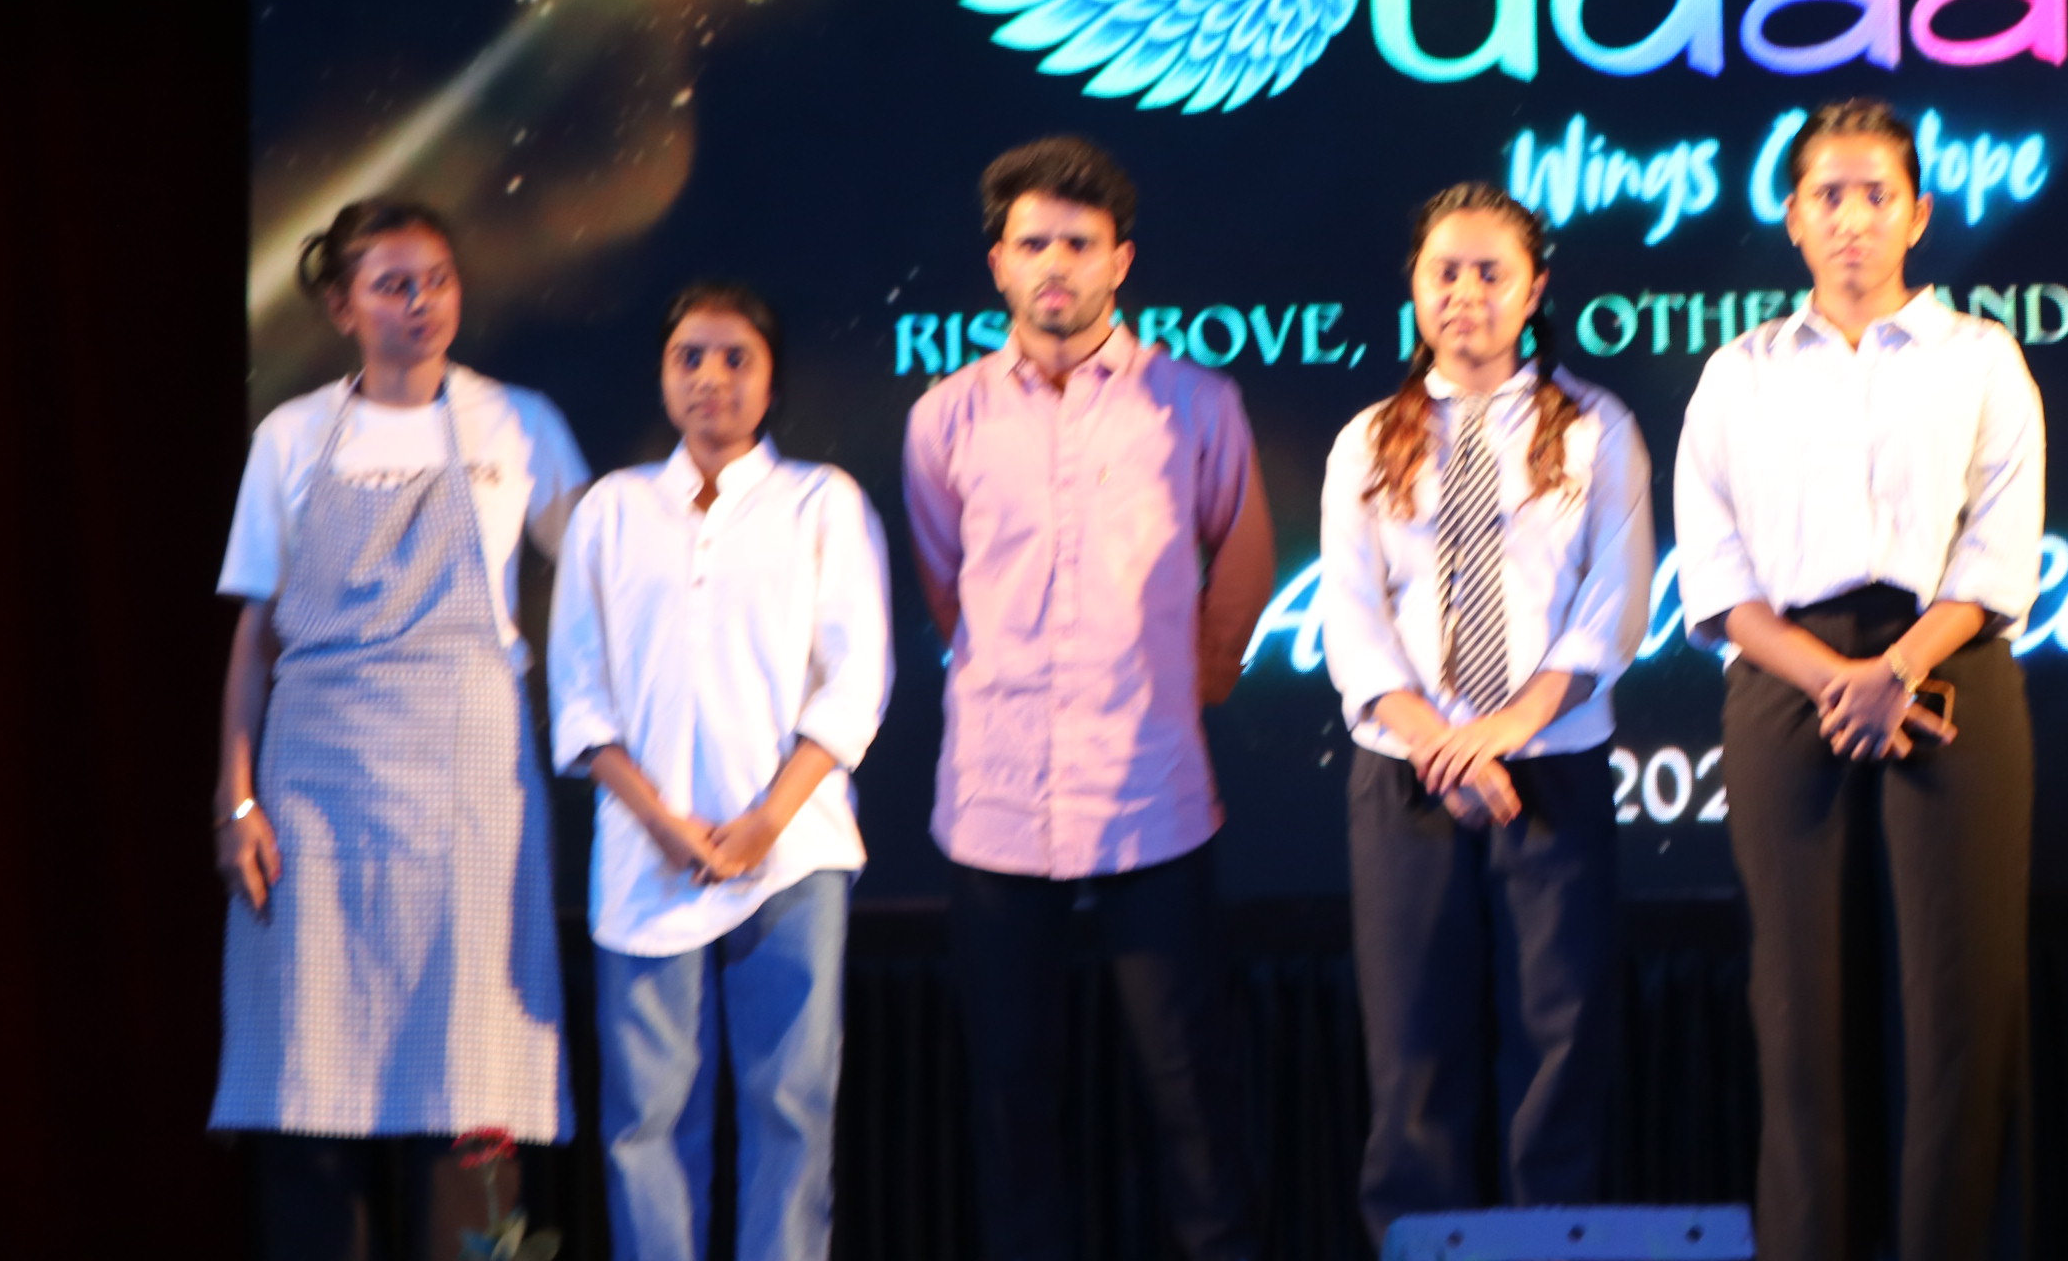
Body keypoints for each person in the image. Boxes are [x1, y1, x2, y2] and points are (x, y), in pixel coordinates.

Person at [1674, 98, 2043, 1261]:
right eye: (1827, 196)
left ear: (1918, 214)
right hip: (1789, 679)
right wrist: (1836, 677)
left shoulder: (1980, 356)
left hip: (1949, 671)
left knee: (1958, 1010)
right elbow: (1716, 573)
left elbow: (2001, 548)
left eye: (1876, 195)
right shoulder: (1739, 372)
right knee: (1799, 1014)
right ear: (1791, 216)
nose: (1852, 219)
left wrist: (1897, 668)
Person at [901, 136, 1277, 1261]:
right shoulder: (946, 418)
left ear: (1120, 260)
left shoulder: (1194, 405)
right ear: (998, 265)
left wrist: (1182, 692)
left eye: (1078, 243)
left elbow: (1240, 567)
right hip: (998, 805)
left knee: (1192, 1087)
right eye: (1033, 245)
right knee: (1012, 1099)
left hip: (1151, 796)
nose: (1055, 264)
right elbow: (947, 587)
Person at [209, 200, 588, 1260]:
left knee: (474, 1081)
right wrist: (235, 797)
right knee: (309, 1082)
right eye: (392, 284)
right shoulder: (291, 436)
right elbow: (256, 633)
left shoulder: (519, 423)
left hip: (471, 785)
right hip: (315, 789)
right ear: (342, 307)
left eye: (437, 280)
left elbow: (609, 573)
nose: (421, 302)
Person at [1318, 182, 1654, 1240]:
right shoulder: (1368, 438)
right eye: (1445, 272)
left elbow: (1614, 602)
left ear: (1535, 288)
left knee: (1558, 1038)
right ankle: (1420, 1242)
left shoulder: (1597, 428)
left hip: (1549, 764)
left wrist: (1504, 733)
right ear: (1415, 286)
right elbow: (1352, 618)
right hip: (1406, 772)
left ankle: (1548, 1241)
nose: (1466, 293)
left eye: (1490, 273)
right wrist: (1444, 747)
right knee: (1412, 1044)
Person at [547, 283, 894, 1261]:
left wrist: (764, 823)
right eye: (689, 357)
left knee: (791, 1106)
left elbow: (855, 679)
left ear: (771, 378)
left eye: (736, 358)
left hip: (792, 853)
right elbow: (579, 692)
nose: (711, 378)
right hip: (647, 854)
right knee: (647, 1118)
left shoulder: (821, 502)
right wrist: (662, 822)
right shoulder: (612, 510)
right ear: (663, 376)